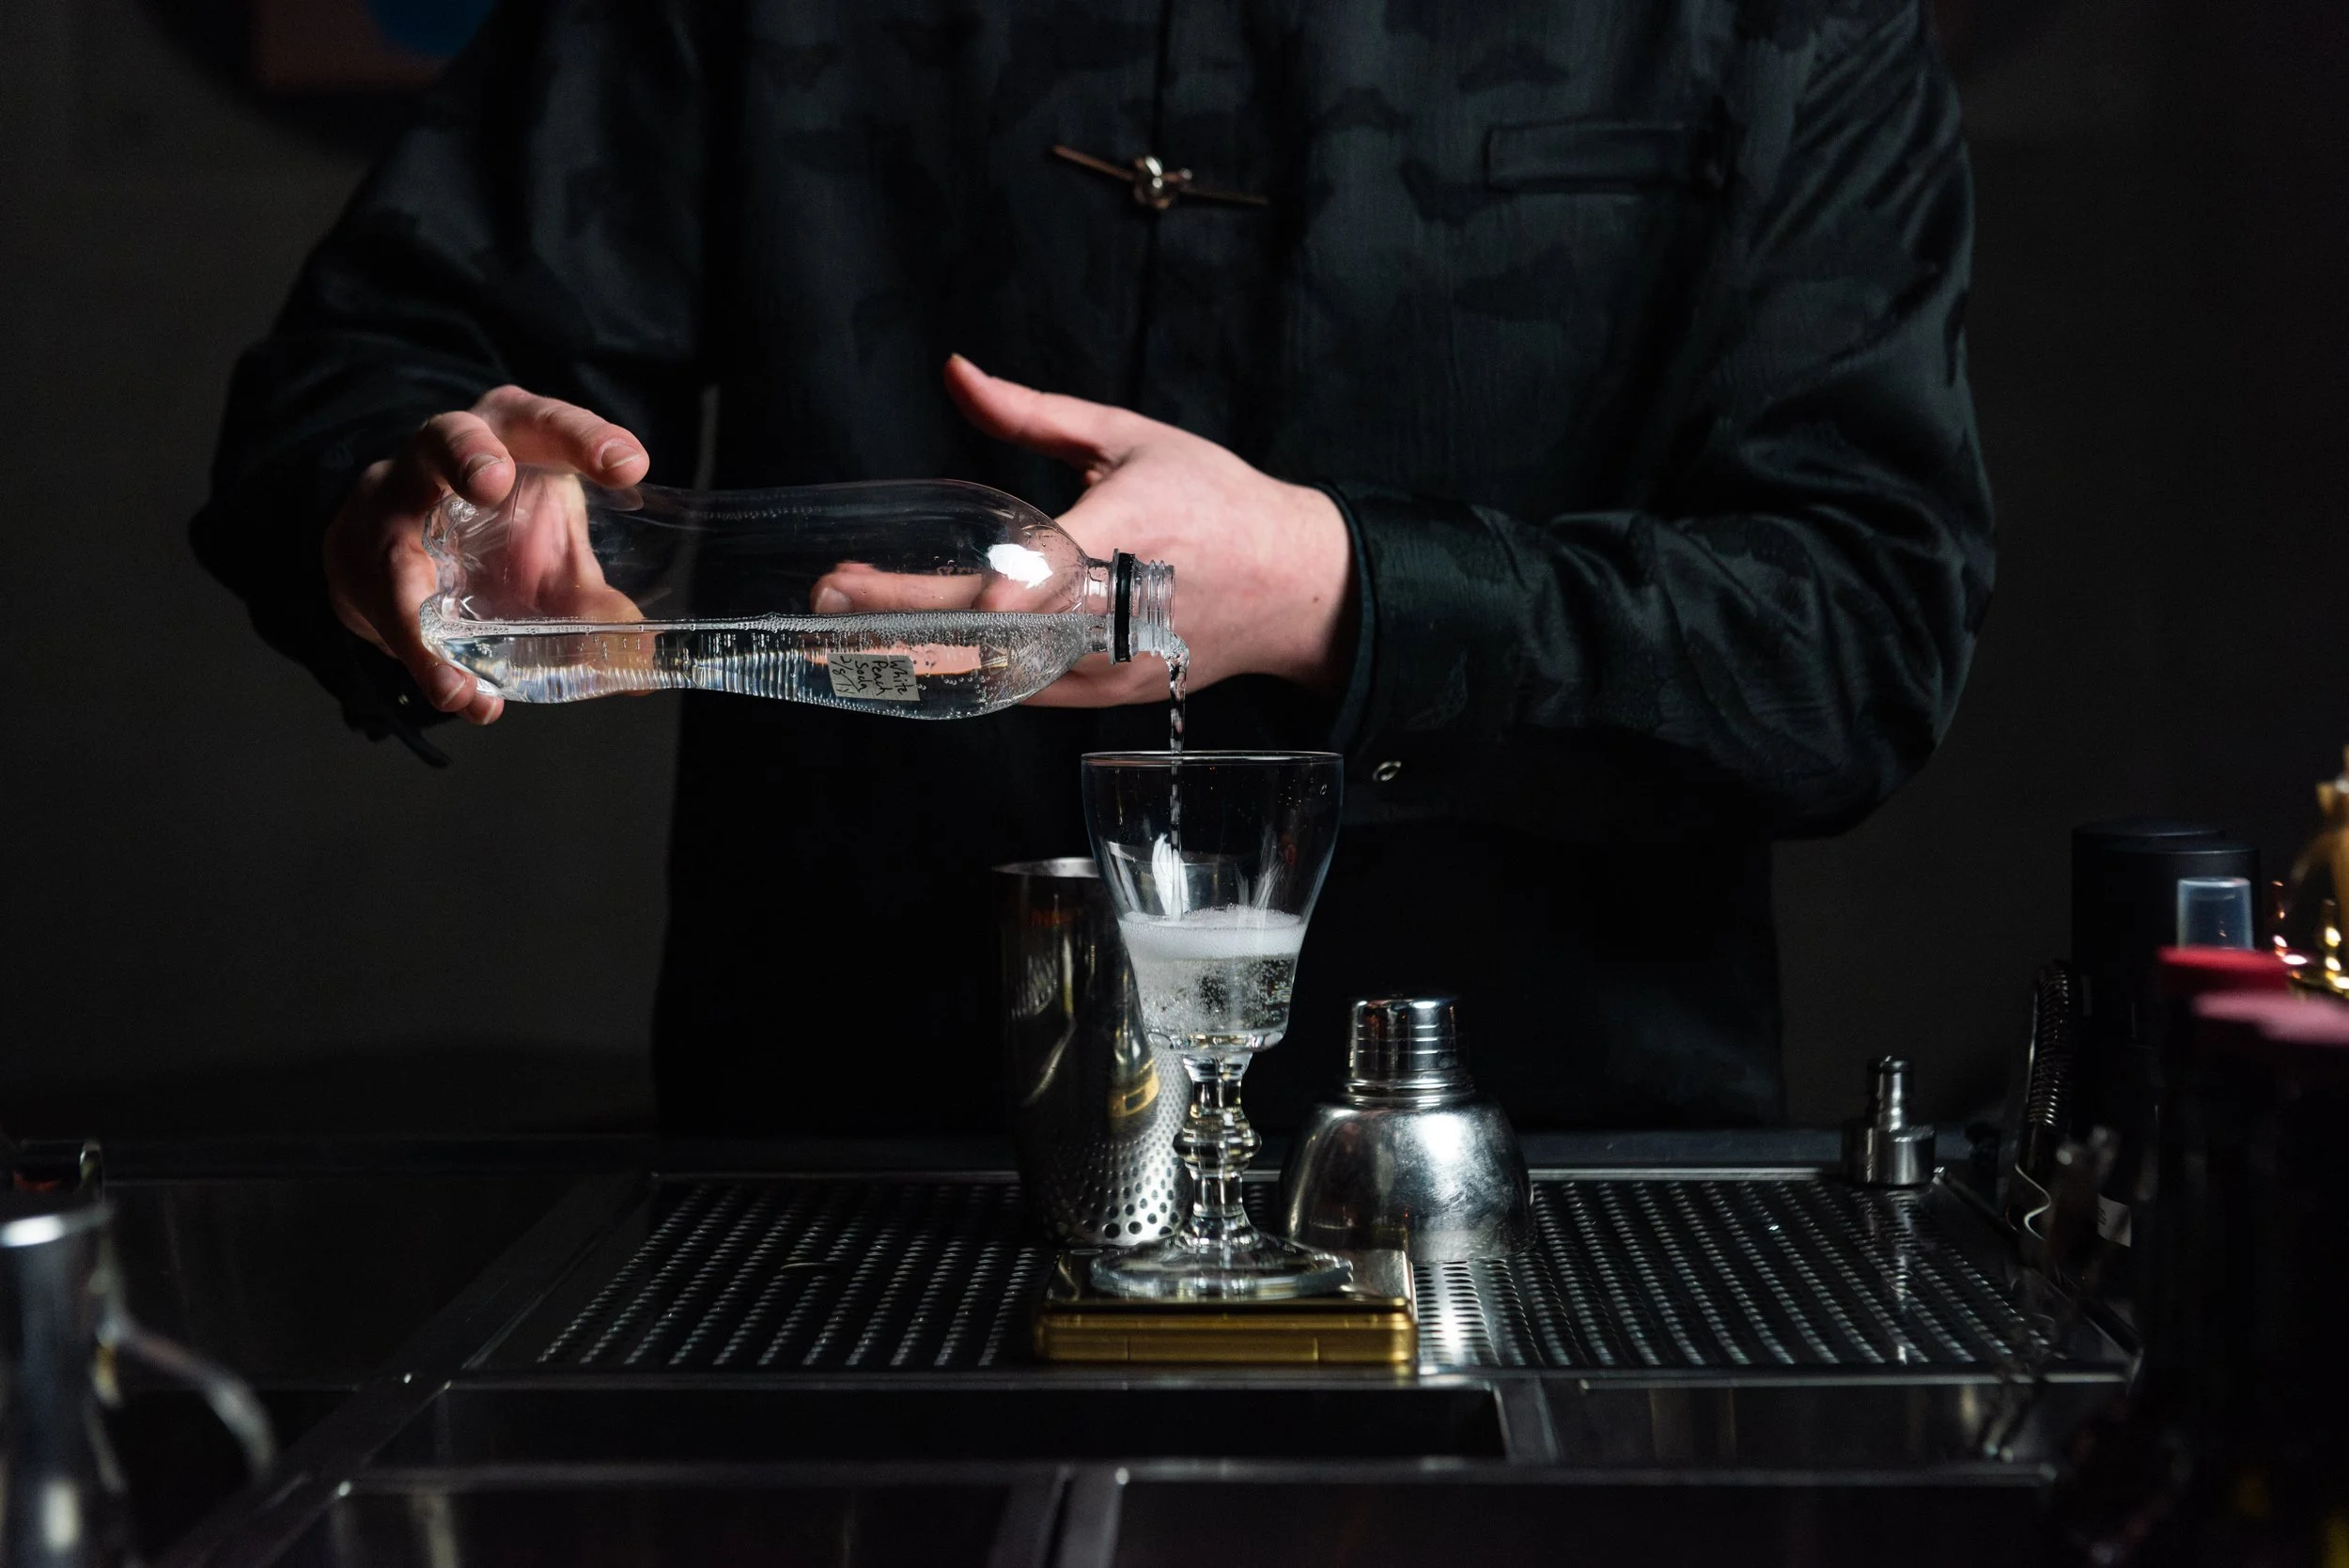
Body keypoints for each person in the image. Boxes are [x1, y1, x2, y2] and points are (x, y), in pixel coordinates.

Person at [194, 0, 1993, 1136]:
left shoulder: (1785, 27)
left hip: (1545, 1185)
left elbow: (1861, 631)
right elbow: (379, 374)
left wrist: (1333, 590)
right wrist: (414, 513)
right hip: (849, 1184)